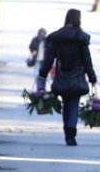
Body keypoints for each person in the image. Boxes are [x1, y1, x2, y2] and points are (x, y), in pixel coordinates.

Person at [37, 9, 96, 146]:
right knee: (73, 105)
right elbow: (87, 60)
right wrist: (92, 77)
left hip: (62, 77)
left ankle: (67, 132)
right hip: (77, 77)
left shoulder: (57, 38)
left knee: (66, 105)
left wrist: (42, 74)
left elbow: (49, 59)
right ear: (78, 19)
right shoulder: (80, 38)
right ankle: (71, 134)